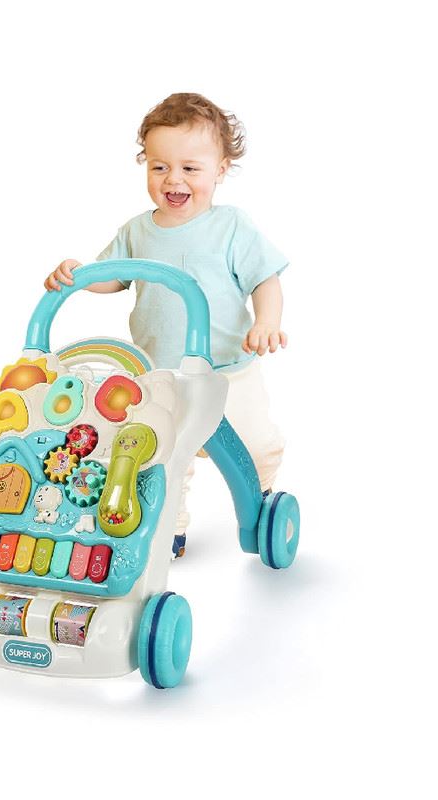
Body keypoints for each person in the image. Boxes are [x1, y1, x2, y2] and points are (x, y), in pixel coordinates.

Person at [44, 93, 288, 558]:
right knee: (162, 455)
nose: (173, 179)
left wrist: (267, 321)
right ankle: (168, 530)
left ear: (220, 170)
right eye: (159, 167)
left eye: (190, 168)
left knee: (256, 446)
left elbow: (265, 279)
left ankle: (261, 499)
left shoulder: (232, 227)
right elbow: (113, 277)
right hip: (161, 375)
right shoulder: (137, 231)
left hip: (229, 372)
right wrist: (78, 276)